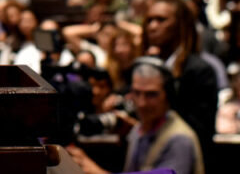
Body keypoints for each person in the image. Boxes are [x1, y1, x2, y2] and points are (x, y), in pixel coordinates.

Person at [67, 58, 204, 174]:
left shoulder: (180, 140)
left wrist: (95, 171)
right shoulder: (138, 130)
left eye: (151, 94)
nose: (142, 103)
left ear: (169, 95)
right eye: (136, 93)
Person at [142, 0, 218, 158]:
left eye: (161, 20)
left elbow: (200, 132)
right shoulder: (147, 67)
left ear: (180, 26)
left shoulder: (199, 71)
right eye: (149, 20)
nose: (152, 26)